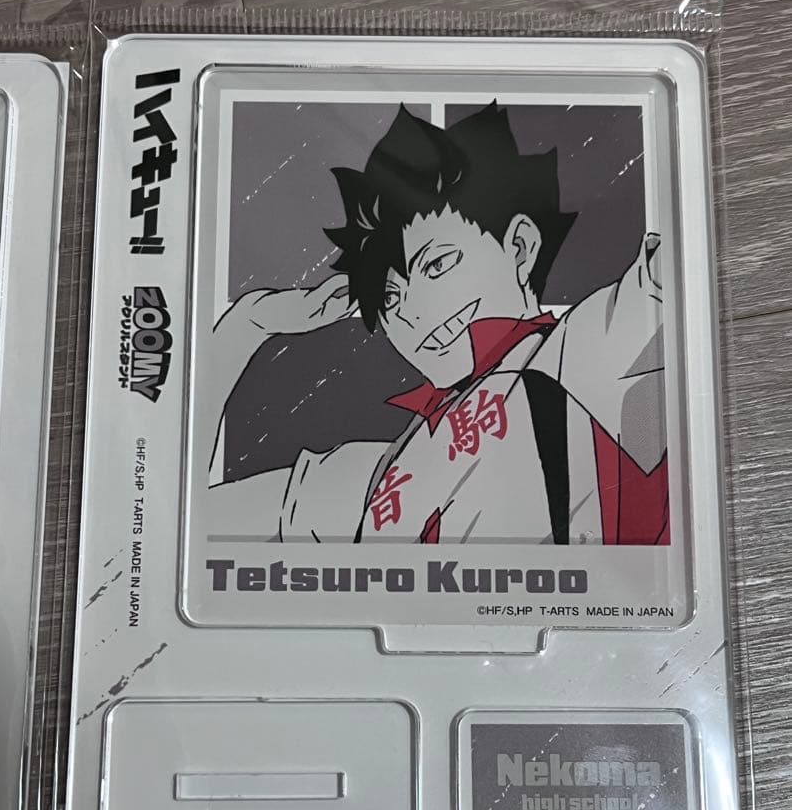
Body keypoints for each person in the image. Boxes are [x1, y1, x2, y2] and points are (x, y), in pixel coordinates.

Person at [206, 102, 667, 546]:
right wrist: (246, 326)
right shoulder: (378, 476)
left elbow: (672, 265)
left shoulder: (584, 350)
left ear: (520, 247)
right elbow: (188, 520)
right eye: (389, 297)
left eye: (437, 265)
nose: (411, 313)